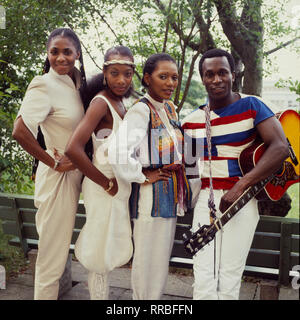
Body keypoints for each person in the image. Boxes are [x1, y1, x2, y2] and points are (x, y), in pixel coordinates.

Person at [181, 48, 289, 300]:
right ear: (202, 78)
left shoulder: (252, 106)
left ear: (233, 75)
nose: (216, 80)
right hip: (206, 202)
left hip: (242, 199)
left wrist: (240, 185)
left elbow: (280, 147)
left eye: (222, 73)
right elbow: (190, 171)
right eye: (210, 74)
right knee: (204, 274)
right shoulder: (191, 122)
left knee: (229, 275)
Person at [12, 28, 88, 300]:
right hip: (58, 177)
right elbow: (20, 130)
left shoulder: (76, 84)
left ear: (77, 54)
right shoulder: (43, 83)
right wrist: (52, 162)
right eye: (54, 51)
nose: (60, 57)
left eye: (67, 51)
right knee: (52, 259)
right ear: (47, 53)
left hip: (80, 173)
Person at [109, 53, 191, 300]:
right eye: (163, 77)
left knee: (159, 262)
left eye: (174, 77)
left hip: (169, 196)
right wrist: (142, 175)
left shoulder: (169, 109)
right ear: (147, 78)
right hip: (150, 199)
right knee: (147, 264)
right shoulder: (141, 111)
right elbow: (117, 152)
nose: (170, 83)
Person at [64, 46, 135, 300]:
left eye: (127, 74)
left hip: (118, 188)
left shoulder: (122, 103)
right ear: (105, 73)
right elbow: (73, 148)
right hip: (102, 186)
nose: (121, 80)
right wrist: (106, 183)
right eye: (115, 73)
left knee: (109, 249)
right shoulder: (100, 103)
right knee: (99, 254)